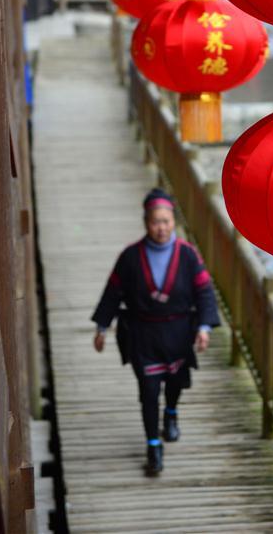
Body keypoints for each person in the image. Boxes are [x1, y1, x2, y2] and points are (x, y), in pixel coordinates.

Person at [91, 188, 220, 476]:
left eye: (166, 221)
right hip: (142, 333)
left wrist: (203, 327)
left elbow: (204, 293)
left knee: (174, 383)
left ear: (173, 221)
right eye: (155, 222)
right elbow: (113, 292)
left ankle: (171, 413)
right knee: (149, 391)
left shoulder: (188, 254)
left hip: (178, 332)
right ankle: (153, 447)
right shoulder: (130, 256)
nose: (161, 228)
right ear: (146, 222)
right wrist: (102, 327)